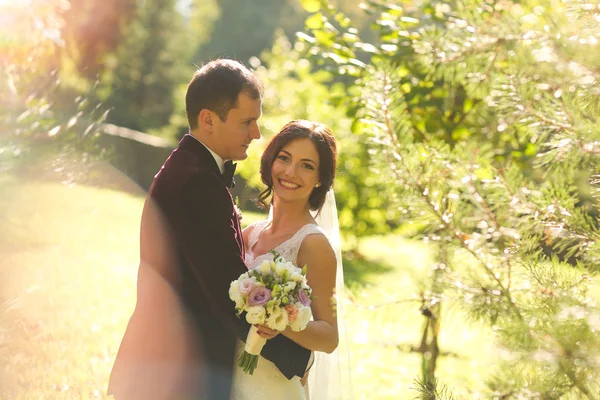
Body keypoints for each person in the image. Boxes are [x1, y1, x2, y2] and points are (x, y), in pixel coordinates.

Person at [107, 60, 311, 400]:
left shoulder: (192, 169)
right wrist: (295, 357)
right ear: (208, 120)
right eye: (247, 121)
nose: (256, 133)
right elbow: (226, 288)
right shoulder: (197, 182)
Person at [231, 120, 348, 399]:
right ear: (272, 160)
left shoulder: (314, 244)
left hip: (272, 386)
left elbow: (330, 337)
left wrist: (280, 320)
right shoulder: (249, 233)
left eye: (307, 165)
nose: (290, 172)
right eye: (284, 158)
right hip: (228, 377)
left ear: (320, 178)